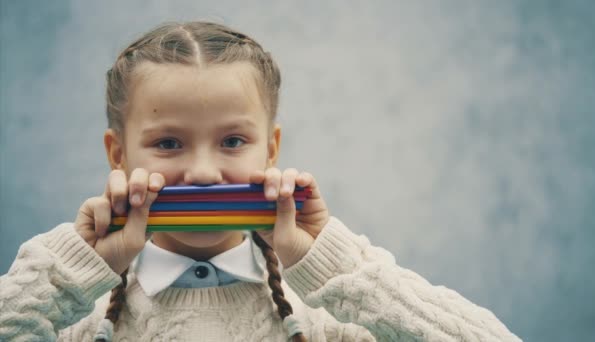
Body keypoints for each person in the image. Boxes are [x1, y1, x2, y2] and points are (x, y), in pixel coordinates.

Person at [0, 21, 521, 341]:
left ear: (270, 150)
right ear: (118, 155)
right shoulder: (70, 319)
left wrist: (334, 265)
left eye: (232, 142)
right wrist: (66, 270)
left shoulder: (326, 317)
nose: (204, 172)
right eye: (168, 143)